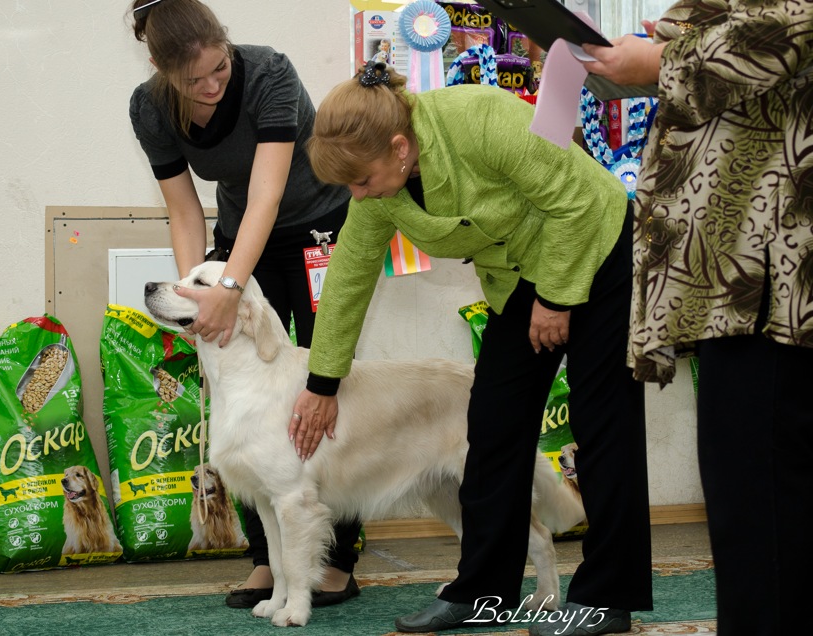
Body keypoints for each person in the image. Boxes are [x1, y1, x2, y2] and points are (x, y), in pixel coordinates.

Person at [289, 61, 653, 636]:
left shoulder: (479, 117)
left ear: (401, 145)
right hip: (520, 276)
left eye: (361, 181)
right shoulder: (378, 192)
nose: (358, 196)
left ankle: (608, 596)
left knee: (601, 419)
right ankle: (483, 591)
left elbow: (576, 200)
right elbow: (348, 279)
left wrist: (557, 298)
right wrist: (322, 384)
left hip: (598, 244)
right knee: (492, 422)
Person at [582, 3, 813, 635]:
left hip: (770, 263)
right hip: (744, 266)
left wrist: (658, 59)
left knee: (757, 496)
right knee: (756, 492)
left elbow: (783, 30)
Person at [126, 0, 362, 609]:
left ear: (228, 48)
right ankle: (268, 559)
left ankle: (334, 559)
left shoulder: (269, 74)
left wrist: (227, 291)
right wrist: (194, 298)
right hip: (240, 241)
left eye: (219, 72)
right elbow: (183, 210)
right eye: (192, 81)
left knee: (324, 379)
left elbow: (268, 193)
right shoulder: (148, 107)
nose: (209, 88)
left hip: (318, 230)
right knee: (243, 402)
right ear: (159, 67)